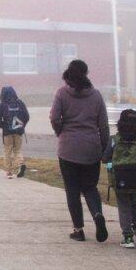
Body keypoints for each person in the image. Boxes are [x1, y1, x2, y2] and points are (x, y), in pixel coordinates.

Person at [49, 59, 110, 242]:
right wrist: (104, 148)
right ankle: (98, 214)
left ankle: (78, 229)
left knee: (72, 191)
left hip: (68, 149)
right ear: (86, 73)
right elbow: (104, 126)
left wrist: (61, 132)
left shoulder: (61, 93)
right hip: (91, 149)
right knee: (90, 187)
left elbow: (54, 118)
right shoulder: (96, 95)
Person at [103, 108, 136, 248]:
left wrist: (110, 163)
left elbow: (105, 158)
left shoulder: (114, 140)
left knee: (124, 206)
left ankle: (128, 237)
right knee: (134, 203)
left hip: (120, 179)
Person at [0, 85, 30, 178]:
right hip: (18, 131)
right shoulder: (20, 103)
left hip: (7, 132)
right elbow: (26, 116)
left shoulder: (2, 104)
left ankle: (9, 173)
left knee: (8, 150)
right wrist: (22, 126)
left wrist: (3, 126)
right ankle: (21, 163)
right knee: (17, 150)